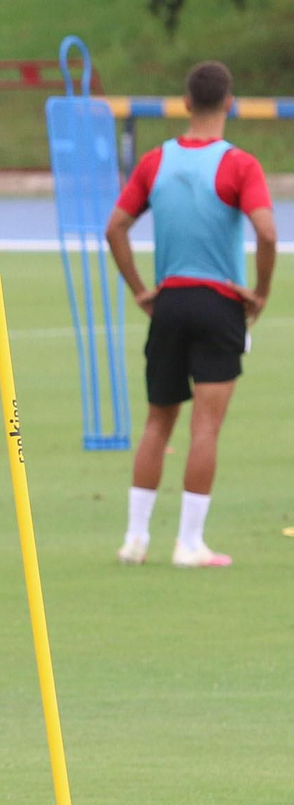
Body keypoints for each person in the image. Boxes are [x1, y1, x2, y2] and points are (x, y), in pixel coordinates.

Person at [106, 60, 276, 568]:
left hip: (170, 303)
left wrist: (141, 290)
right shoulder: (239, 165)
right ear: (230, 103)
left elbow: (115, 228)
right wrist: (261, 292)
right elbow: (266, 233)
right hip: (220, 302)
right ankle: (189, 543)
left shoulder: (156, 162)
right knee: (205, 427)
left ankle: (135, 540)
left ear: (185, 103)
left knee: (158, 422)